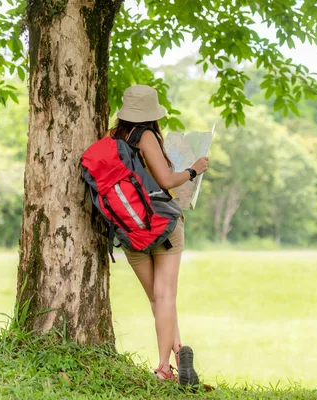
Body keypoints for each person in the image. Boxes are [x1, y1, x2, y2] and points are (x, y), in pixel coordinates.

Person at [108, 84, 208, 385]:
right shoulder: (147, 136)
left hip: (128, 228)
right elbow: (166, 179)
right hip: (162, 224)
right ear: (151, 112)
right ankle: (165, 367)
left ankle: (179, 351)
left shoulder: (114, 139)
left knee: (156, 298)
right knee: (165, 297)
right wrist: (193, 170)